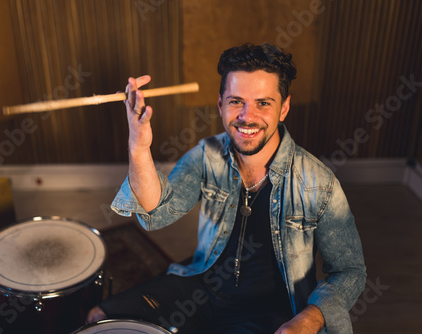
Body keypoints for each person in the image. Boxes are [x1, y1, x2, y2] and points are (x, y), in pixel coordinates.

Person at [86, 43, 366, 334]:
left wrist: (311, 317)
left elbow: (350, 271)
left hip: (265, 309)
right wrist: (139, 146)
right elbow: (156, 211)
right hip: (202, 285)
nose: (247, 116)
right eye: (236, 101)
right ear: (220, 104)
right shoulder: (207, 155)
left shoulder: (318, 184)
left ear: (284, 108)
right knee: (99, 317)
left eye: (263, 103)